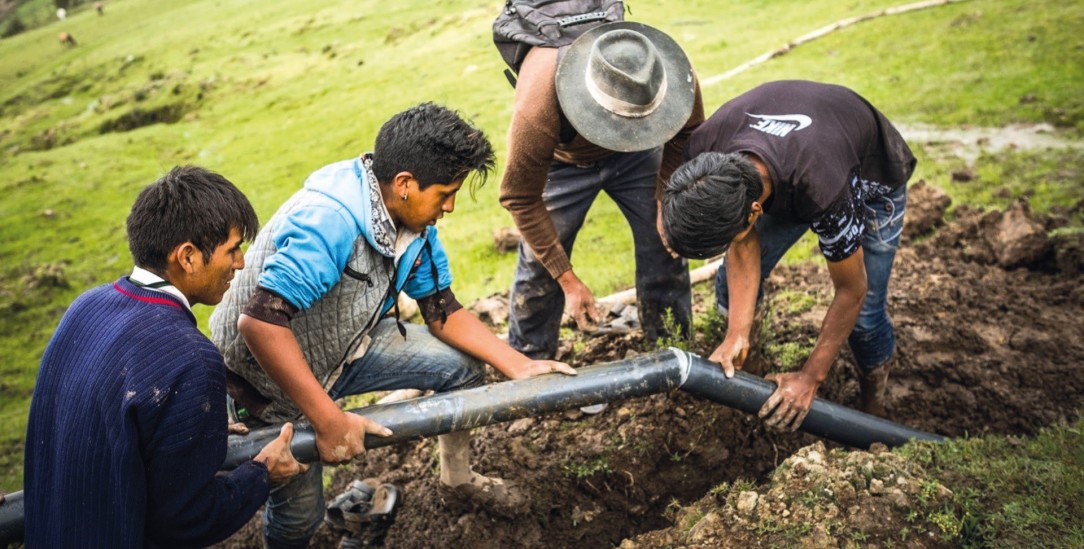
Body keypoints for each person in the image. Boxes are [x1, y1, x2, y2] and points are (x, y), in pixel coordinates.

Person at [210, 102, 576, 548]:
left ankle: (456, 480)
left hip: (348, 346)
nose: (451, 206)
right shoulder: (330, 222)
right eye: (445, 193)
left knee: (463, 369)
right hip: (266, 380)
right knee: (300, 515)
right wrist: (328, 420)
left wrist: (518, 363)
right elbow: (259, 324)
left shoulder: (412, 224)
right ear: (404, 184)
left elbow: (442, 310)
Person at [24, 166, 306, 548]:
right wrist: (262, 473)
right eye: (232, 249)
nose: (240, 263)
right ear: (187, 257)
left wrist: (190, 429)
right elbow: (185, 522)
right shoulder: (192, 358)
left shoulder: (85, 307)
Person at [662, 80, 916, 429]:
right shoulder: (705, 153)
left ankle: (874, 407)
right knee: (727, 288)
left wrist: (810, 377)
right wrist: (737, 331)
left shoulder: (824, 191)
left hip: (871, 178)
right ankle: (750, 371)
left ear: (753, 212)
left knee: (865, 318)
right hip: (789, 168)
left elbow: (850, 290)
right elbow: (742, 241)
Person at [499, 21, 704, 361]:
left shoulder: (669, 73)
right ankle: (528, 363)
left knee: (666, 239)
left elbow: (689, 130)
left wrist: (663, 196)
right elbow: (518, 197)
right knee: (541, 264)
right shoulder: (537, 106)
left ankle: (673, 352)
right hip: (564, 163)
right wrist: (568, 280)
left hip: (638, 155)